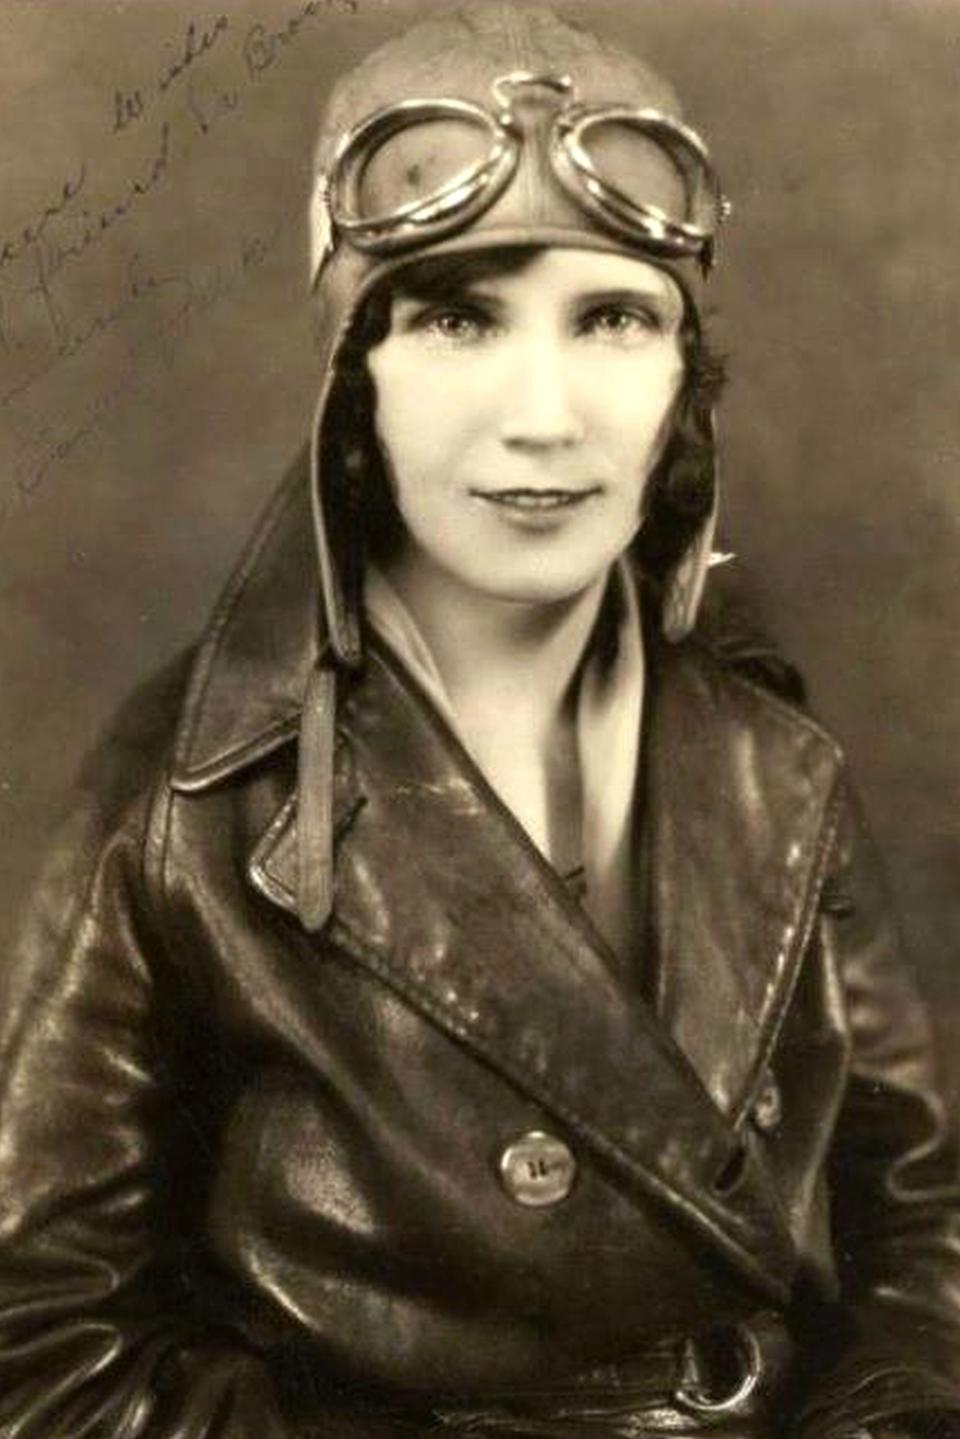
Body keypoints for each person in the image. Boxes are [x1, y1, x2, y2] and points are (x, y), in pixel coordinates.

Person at [0, 7, 957, 1438]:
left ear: (681, 384)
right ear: (354, 377)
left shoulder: (773, 765)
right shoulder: (195, 789)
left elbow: (923, 1238)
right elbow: (40, 1345)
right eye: (458, 317)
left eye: (614, 319)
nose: (544, 414)